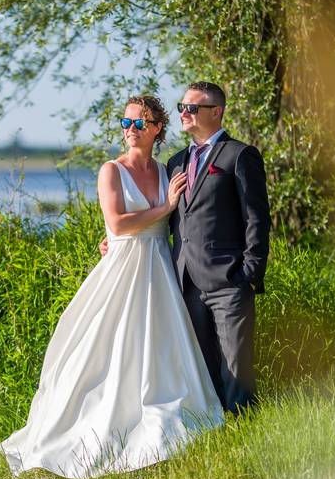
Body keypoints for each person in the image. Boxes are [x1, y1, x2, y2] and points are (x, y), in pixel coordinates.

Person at [0, 95, 224, 479]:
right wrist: (161, 210)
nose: (130, 130)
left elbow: (179, 219)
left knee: (160, 349)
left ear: (156, 130)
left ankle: (170, 415)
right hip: (124, 269)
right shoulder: (111, 170)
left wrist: (168, 214)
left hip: (159, 270)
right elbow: (117, 225)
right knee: (108, 350)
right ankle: (95, 426)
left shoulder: (168, 170)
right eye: (126, 122)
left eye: (139, 123)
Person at [102, 82, 271, 414]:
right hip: (183, 280)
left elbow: (257, 218)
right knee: (200, 364)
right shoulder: (174, 164)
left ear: (216, 111)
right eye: (182, 106)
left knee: (236, 363)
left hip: (229, 278)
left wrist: (250, 273)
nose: (185, 112)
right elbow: (165, 215)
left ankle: (245, 428)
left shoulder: (239, 155)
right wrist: (116, 238)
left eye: (192, 108)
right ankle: (211, 424)